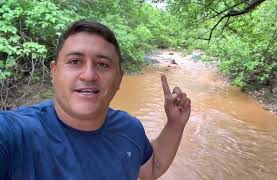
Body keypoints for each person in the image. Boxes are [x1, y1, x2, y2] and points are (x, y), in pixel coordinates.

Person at [0, 19, 191, 180]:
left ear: (119, 79)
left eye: (102, 64)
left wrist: (175, 124)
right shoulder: (15, 134)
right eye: (75, 62)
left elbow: (152, 168)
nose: (89, 75)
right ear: (54, 72)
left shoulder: (130, 128)